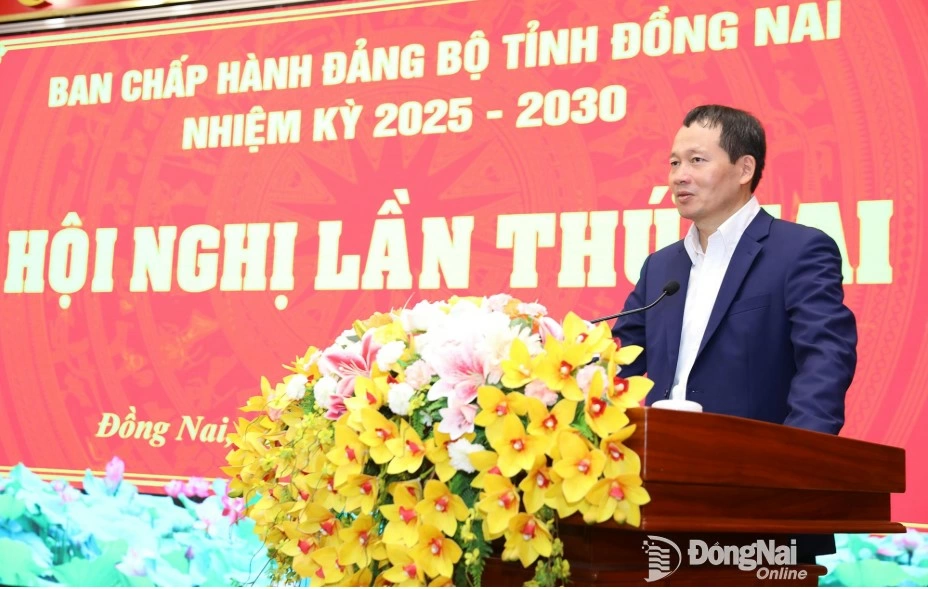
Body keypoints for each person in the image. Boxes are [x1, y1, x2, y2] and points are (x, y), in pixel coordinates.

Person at [612, 104, 858, 560]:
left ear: (745, 168)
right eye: (673, 162)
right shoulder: (661, 267)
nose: (678, 176)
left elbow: (825, 359)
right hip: (660, 496)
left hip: (759, 498)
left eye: (696, 161)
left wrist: (795, 467)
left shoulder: (798, 250)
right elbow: (617, 359)